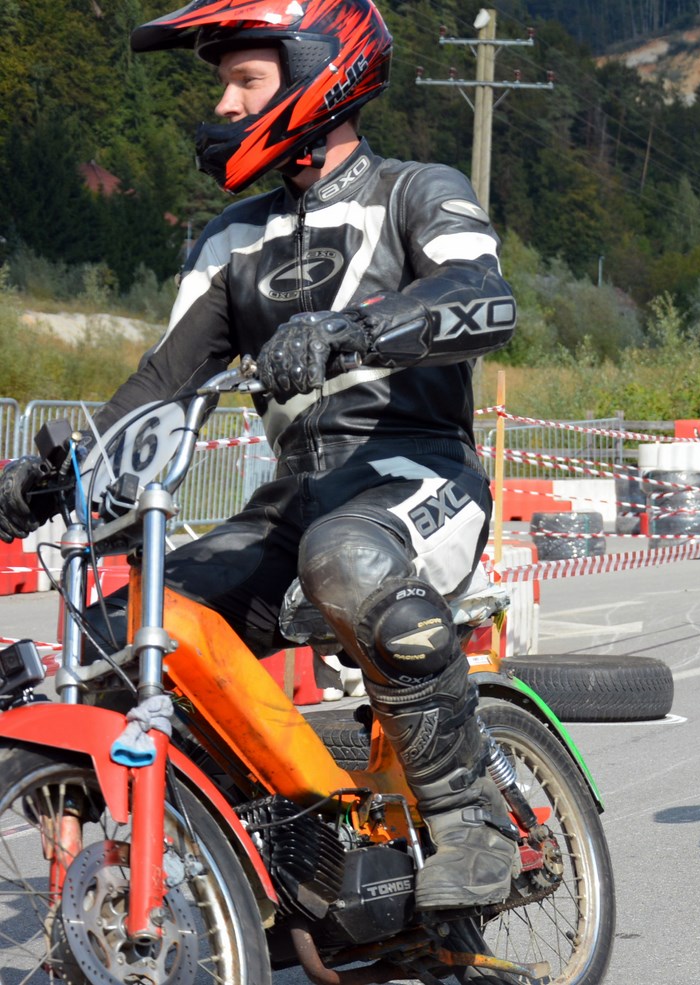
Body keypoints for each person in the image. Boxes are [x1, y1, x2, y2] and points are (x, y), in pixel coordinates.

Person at [0, 0, 519, 911]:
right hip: (291, 502)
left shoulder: (417, 190)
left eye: (246, 80)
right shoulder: (230, 239)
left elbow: (485, 297)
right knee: (122, 633)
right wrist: (39, 483)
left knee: (344, 556)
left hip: (419, 473)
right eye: (224, 85)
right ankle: (271, 849)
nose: (226, 104)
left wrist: (352, 331)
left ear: (323, 73)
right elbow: (161, 386)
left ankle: (473, 819)